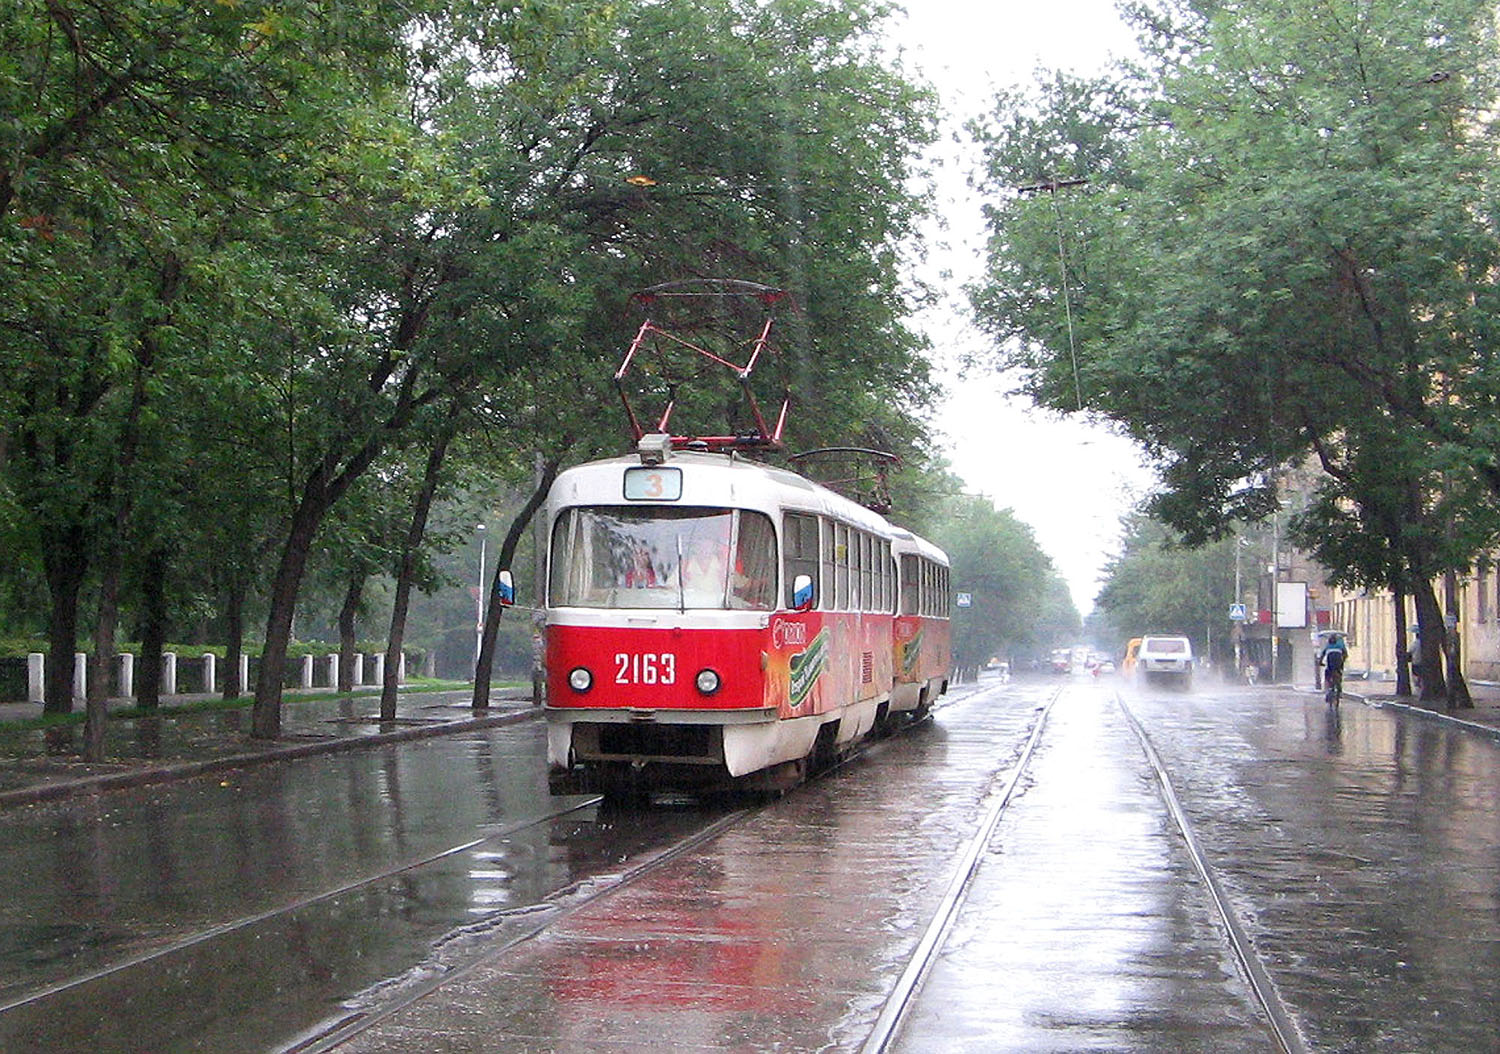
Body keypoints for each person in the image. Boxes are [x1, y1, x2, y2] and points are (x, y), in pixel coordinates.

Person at [1319, 632, 1348, 704]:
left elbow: (1322, 655)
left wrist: (1320, 662)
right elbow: (1345, 654)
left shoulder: (1328, 646)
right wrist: (1343, 660)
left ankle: (1328, 691)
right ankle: (1339, 690)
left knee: (1327, 675)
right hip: (1338, 663)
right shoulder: (1340, 645)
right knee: (1339, 674)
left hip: (1330, 664)